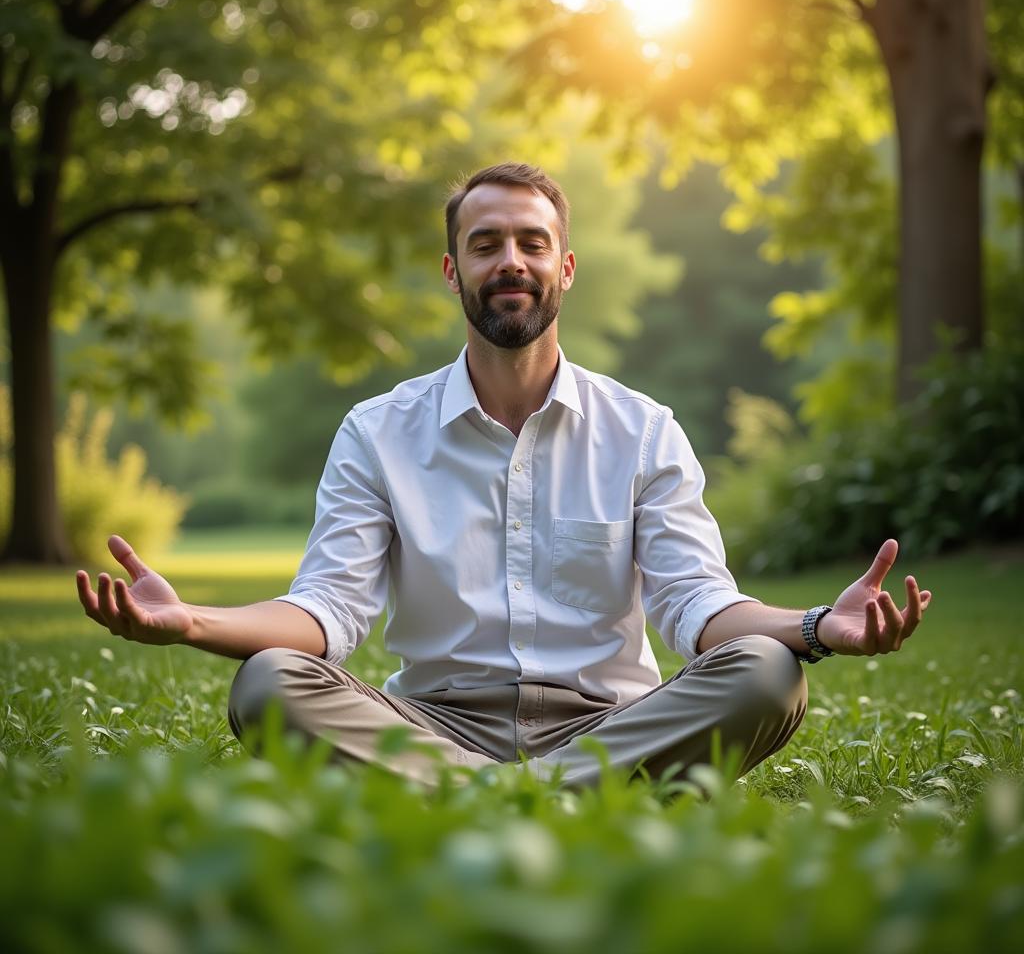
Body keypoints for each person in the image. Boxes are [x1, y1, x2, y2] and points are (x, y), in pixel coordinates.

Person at [75, 162, 931, 789]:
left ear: (564, 268)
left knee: (767, 672)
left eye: (532, 242)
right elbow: (328, 614)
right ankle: (547, 801)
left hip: (612, 724)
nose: (509, 261)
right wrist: (191, 621)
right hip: (432, 721)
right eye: (485, 245)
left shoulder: (643, 431)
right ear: (454, 272)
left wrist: (814, 626)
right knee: (268, 682)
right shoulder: (377, 433)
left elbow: (698, 606)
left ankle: (483, 804)